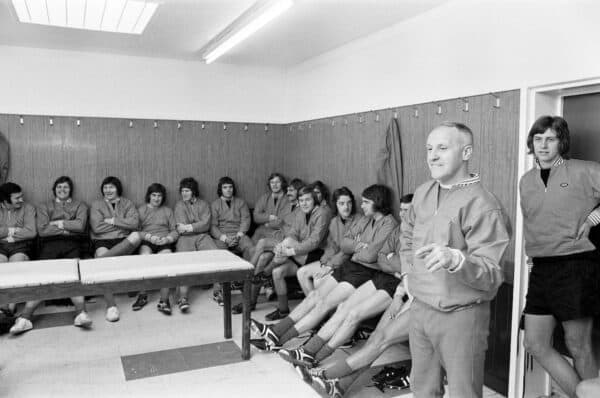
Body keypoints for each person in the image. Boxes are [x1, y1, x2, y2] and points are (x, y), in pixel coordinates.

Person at [400, 122, 509, 398]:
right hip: (420, 308)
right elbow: (407, 235)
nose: (432, 155)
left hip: (461, 316)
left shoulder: (483, 204)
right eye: (429, 148)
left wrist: (457, 259)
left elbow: (492, 272)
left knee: (464, 393)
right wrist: (407, 276)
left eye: (442, 148)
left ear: (466, 152)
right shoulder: (423, 192)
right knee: (423, 389)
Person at [250, 184, 397, 351]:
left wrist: (357, 247)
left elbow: (370, 255)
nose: (361, 205)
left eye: (365, 202)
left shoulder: (389, 223)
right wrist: (360, 245)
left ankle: (278, 337)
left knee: (324, 304)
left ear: (377, 202)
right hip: (350, 265)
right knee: (314, 296)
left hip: (364, 272)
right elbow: (345, 243)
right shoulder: (364, 219)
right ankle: (276, 334)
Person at [295, 195, 414, 397]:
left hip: (418, 299)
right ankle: (340, 385)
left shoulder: (423, 235)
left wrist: (396, 264)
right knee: (376, 338)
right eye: (401, 210)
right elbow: (383, 258)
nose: (403, 214)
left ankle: (326, 375)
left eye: (408, 210)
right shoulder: (402, 233)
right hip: (401, 292)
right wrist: (396, 268)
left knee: (380, 340)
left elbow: (409, 270)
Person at [520, 116, 600, 398]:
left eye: (550, 139)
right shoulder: (526, 181)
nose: (542, 144)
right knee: (534, 343)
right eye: (538, 138)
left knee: (579, 346)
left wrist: (593, 218)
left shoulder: (584, 170)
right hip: (541, 269)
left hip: (575, 265)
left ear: (561, 142)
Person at [10, 177, 92, 335]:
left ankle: (81, 313)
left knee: (75, 275)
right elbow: (42, 230)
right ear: (54, 189)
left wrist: (57, 224)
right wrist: (68, 227)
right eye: (59, 187)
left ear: (71, 190)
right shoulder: (44, 206)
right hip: (49, 244)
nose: (62, 190)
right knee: (43, 277)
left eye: (66, 187)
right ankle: (25, 318)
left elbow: (80, 226)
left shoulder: (80, 205)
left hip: (73, 243)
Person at [258, 184, 330, 321]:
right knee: (277, 272)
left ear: (314, 199)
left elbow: (314, 242)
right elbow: (293, 233)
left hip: (318, 254)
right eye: (301, 200)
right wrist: (284, 248)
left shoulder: (322, 213)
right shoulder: (301, 213)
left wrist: (290, 251)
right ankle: (283, 310)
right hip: (302, 254)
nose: (304, 203)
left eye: (308, 200)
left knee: (287, 243)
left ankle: (265, 273)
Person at [231, 178, 303, 314]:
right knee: (263, 258)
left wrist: (277, 226)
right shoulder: (288, 205)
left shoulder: (302, 209)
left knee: (262, 243)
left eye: (291, 190)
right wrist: (274, 225)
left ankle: (246, 275)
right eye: (288, 189)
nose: (288, 192)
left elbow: (294, 231)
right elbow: (279, 222)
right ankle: (250, 302)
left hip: (292, 246)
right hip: (281, 240)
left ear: (299, 192)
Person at [90, 176, 141, 322]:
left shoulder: (127, 203)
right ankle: (111, 306)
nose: (108, 190)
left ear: (118, 188)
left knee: (136, 236)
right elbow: (97, 227)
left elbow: (135, 223)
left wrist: (112, 221)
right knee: (102, 258)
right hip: (102, 241)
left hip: (123, 240)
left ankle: (97, 264)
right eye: (105, 187)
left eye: (111, 187)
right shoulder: (96, 204)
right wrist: (122, 225)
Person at [296, 187, 360, 295]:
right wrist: (324, 262)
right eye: (341, 203)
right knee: (302, 272)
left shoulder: (359, 221)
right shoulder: (334, 222)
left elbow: (349, 251)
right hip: (333, 261)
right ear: (336, 204)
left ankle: (321, 308)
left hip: (349, 263)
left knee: (318, 280)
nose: (346, 207)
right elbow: (331, 247)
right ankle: (314, 306)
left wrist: (330, 265)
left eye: (349, 203)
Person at [132, 183, 179, 314]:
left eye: (159, 196)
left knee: (166, 260)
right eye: (154, 195)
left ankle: (164, 300)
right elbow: (136, 230)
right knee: (144, 258)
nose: (156, 198)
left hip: (164, 241)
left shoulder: (168, 211)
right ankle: (142, 295)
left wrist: (168, 239)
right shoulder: (141, 210)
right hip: (147, 241)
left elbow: (175, 230)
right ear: (149, 196)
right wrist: (148, 238)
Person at [173, 177, 217, 311]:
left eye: (187, 191)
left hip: (203, 236)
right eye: (182, 191)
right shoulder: (179, 205)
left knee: (216, 255)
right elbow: (181, 227)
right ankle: (183, 297)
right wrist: (193, 227)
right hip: (185, 238)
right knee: (183, 262)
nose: (184, 194)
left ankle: (219, 291)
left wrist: (189, 227)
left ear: (193, 191)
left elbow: (206, 224)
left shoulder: (203, 204)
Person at [210, 176, 253, 305]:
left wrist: (239, 236)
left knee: (250, 248)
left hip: (238, 234)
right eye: (225, 187)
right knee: (220, 254)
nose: (228, 190)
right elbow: (213, 226)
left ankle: (246, 283)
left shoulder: (241, 203)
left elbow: (246, 220)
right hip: (222, 236)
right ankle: (218, 290)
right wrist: (225, 238)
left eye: (230, 187)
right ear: (220, 189)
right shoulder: (215, 204)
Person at [0, 182, 36, 329]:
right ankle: (2, 307)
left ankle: (11, 307)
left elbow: (31, 231)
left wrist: (7, 234)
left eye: (21, 196)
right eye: (17, 198)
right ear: (5, 201)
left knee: (16, 265)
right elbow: (23, 230)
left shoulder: (28, 208)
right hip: (1, 246)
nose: (21, 200)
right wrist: (13, 230)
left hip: (20, 245)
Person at [251, 173, 291, 242]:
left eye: (277, 182)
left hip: (279, 233)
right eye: (272, 182)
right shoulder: (264, 198)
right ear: (269, 184)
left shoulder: (287, 199)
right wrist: (269, 217)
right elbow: (256, 217)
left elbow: (282, 221)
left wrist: (267, 224)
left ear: (283, 183)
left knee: (262, 247)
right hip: (261, 232)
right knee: (251, 248)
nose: (274, 185)